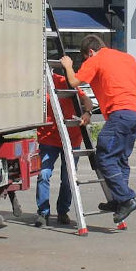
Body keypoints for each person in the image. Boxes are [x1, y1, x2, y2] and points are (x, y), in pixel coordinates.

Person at [60, 34, 136, 224]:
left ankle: (126, 199)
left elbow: (74, 82)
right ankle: (119, 200)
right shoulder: (125, 57)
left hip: (120, 113)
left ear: (90, 52)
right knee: (120, 159)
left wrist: (68, 66)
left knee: (104, 157)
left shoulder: (96, 59)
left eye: (85, 58)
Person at [35, 71, 91, 227]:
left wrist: (88, 112)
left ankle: (62, 211)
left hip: (71, 137)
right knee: (43, 174)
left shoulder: (63, 81)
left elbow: (86, 99)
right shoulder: (36, 83)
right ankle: (43, 213)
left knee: (68, 179)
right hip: (48, 138)